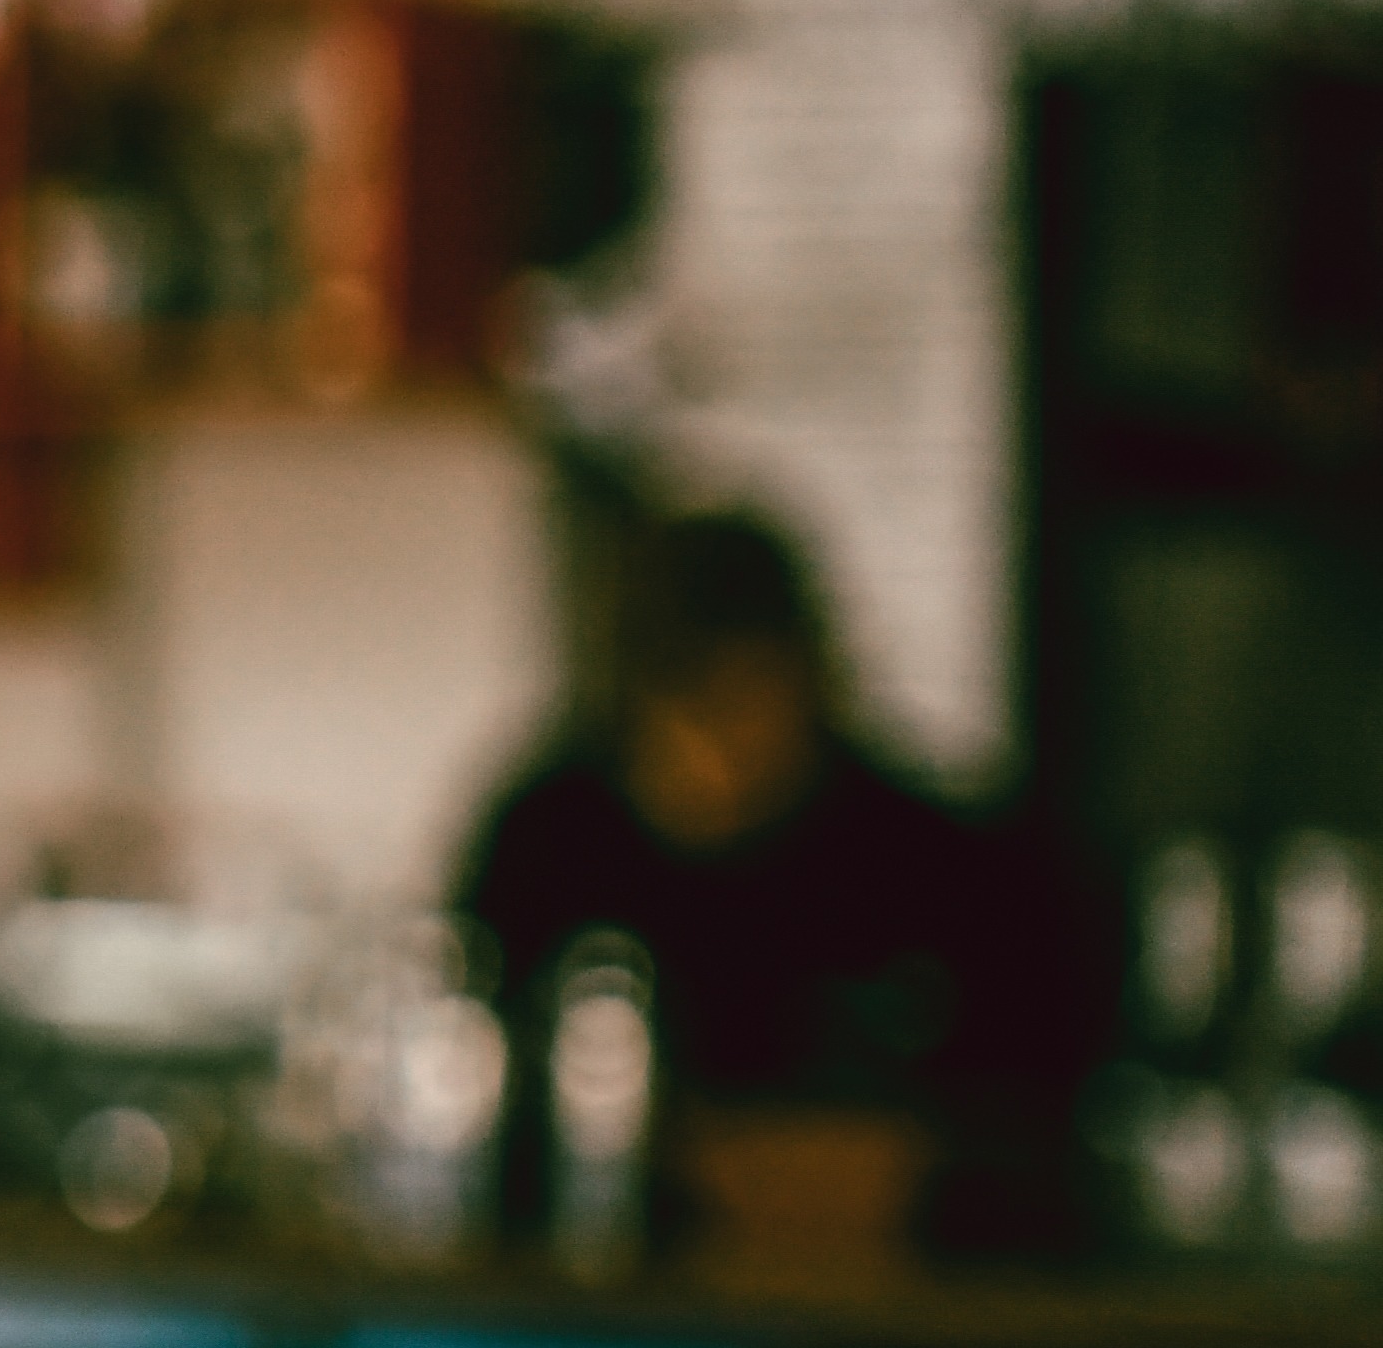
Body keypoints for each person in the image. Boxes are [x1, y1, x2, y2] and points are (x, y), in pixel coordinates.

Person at [458, 505, 1097, 1262]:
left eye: (749, 697)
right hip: (602, 1312)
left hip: (888, 1325)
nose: (719, 745)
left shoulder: (948, 865)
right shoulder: (549, 840)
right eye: (686, 704)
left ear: (818, 681)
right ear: (624, 707)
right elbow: (456, 1093)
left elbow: (1059, 1132)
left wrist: (907, 1162)